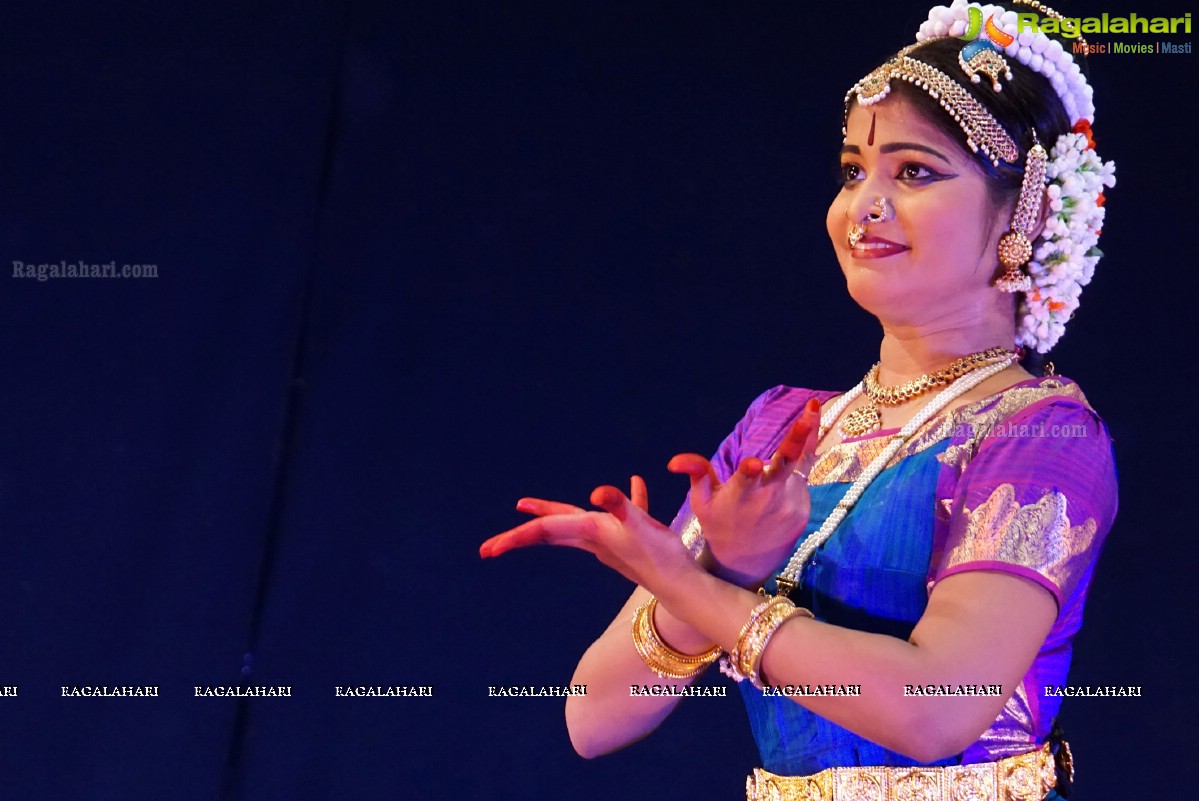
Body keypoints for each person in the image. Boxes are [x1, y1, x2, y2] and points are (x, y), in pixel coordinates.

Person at [481, 2, 1117, 798]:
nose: (865, 206)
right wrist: (728, 564)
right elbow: (594, 717)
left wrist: (690, 584)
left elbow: (933, 710)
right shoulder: (783, 425)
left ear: (1023, 210)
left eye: (914, 171)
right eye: (854, 170)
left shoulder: (1041, 431)